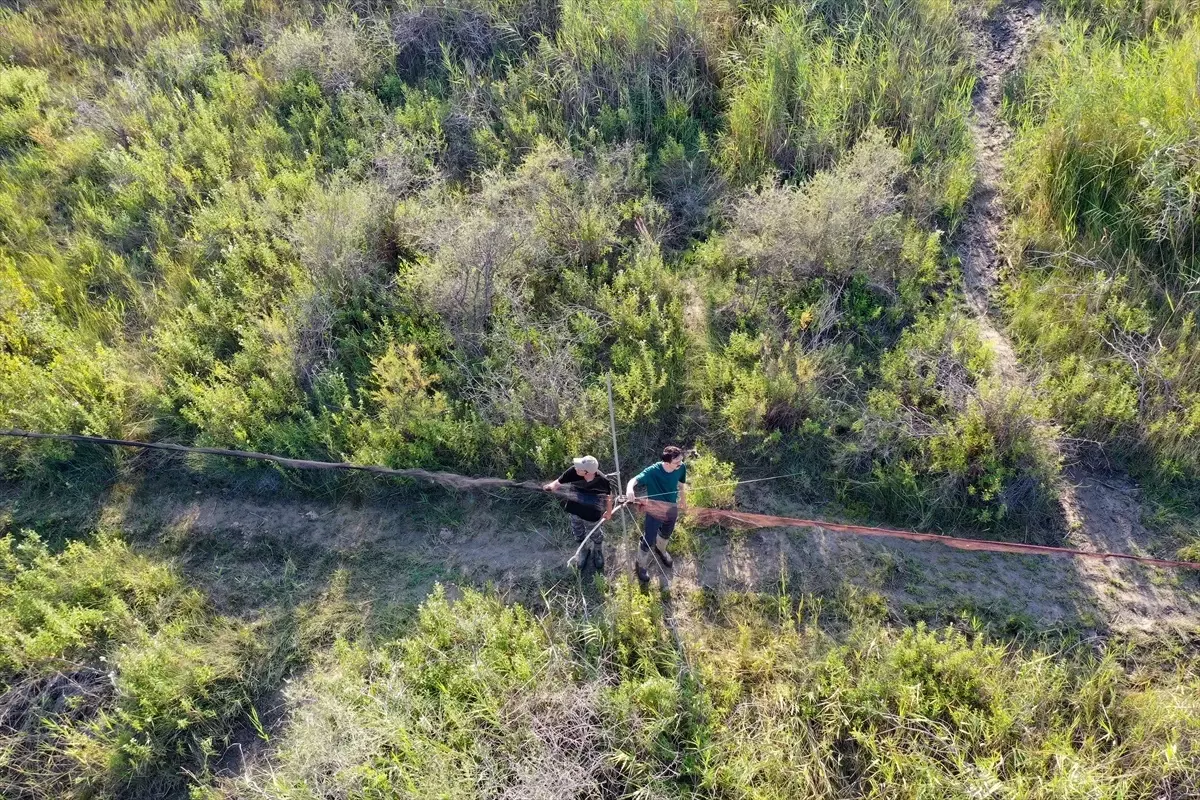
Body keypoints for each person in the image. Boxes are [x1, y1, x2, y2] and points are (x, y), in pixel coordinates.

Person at [625, 445, 688, 583]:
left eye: (681, 460)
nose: (681, 463)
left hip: (671, 507)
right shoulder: (653, 471)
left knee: (667, 532)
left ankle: (661, 550)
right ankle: (640, 564)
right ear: (667, 462)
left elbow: (681, 484)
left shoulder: (681, 467)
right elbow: (634, 480)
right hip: (654, 509)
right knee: (649, 537)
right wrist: (630, 489)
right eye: (677, 462)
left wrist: (683, 500)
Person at [544, 455, 613, 571]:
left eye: (580, 468)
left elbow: (609, 497)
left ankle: (597, 550)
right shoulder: (573, 471)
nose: (576, 468)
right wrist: (551, 486)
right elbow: (559, 481)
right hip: (575, 510)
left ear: (587, 472)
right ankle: (583, 550)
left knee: (595, 533)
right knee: (577, 531)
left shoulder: (602, 481)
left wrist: (609, 512)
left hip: (592, 514)